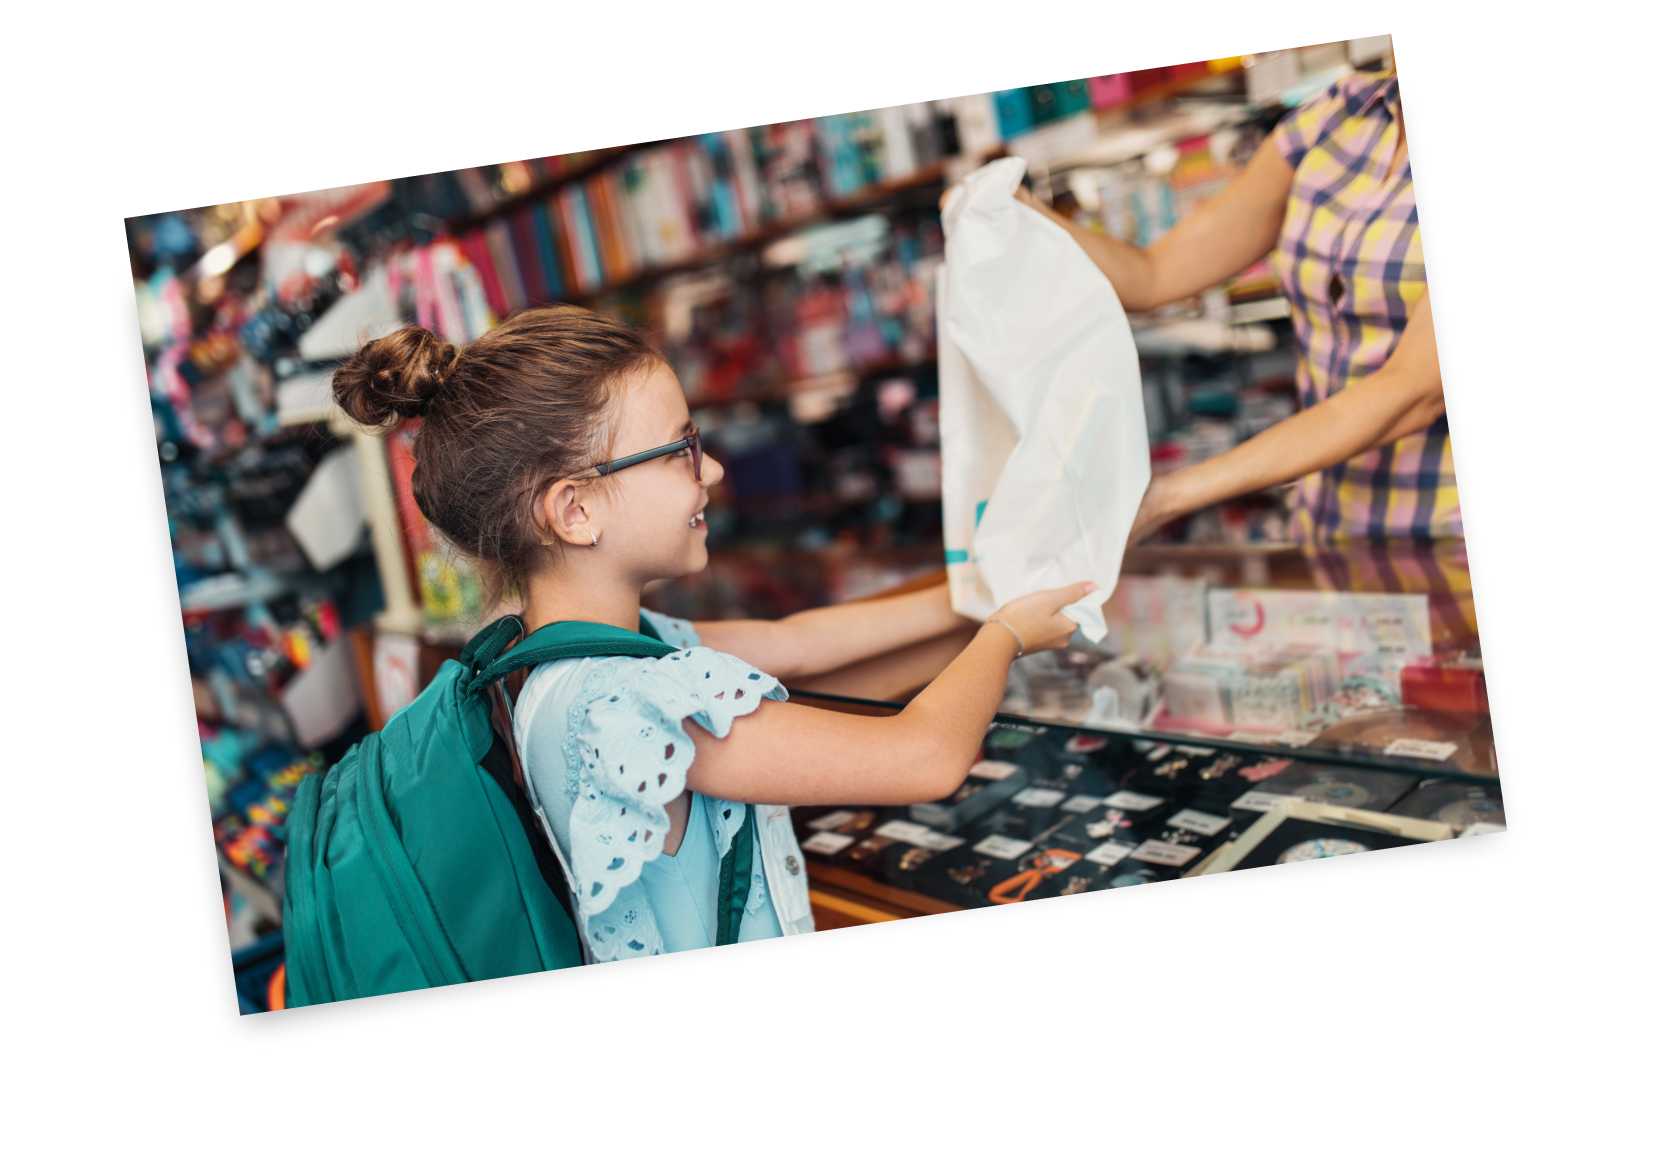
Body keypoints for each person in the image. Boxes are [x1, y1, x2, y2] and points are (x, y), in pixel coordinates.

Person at [333, 307, 1092, 961]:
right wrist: (1004, 635)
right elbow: (922, 758)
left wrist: (990, 596)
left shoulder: (577, 656)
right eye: (679, 450)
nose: (716, 470)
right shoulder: (625, 707)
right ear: (575, 511)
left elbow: (800, 650)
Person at [963, 70, 1452, 552]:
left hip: (1442, 537)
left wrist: (1168, 496)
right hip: (1328, 526)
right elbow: (1153, 275)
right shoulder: (1337, 116)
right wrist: (1015, 210)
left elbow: (1413, 392)